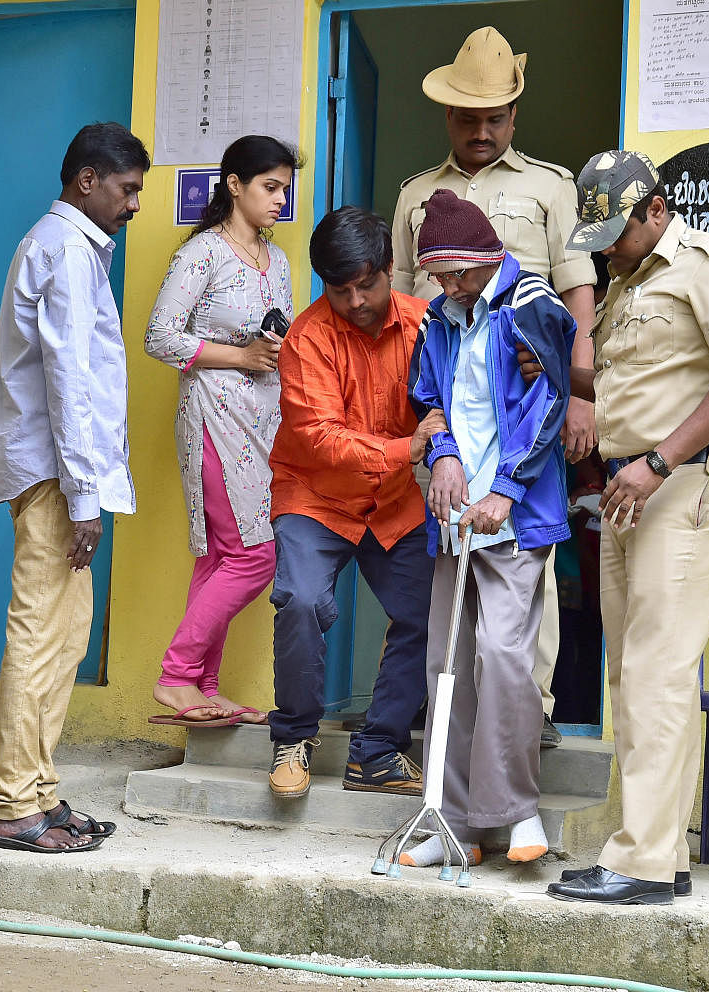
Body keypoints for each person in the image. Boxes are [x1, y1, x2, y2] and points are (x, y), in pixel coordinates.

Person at [542, 151, 709, 904]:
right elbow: (622, 383)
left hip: (683, 482)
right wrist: (540, 354)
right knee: (630, 675)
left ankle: (637, 861)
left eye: (617, 229)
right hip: (630, 489)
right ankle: (657, 852)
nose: (606, 245)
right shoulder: (627, 284)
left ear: (657, 210)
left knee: (657, 670)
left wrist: (661, 464)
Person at [390, 26, 598, 745]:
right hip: (444, 409)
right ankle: (454, 719)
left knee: (520, 568)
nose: (482, 130)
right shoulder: (417, 194)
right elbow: (400, 306)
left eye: (496, 118)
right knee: (445, 563)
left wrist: (579, 394)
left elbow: (576, 298)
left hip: (522, 414)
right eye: (468, 117)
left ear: (515, 116)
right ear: (448, 116)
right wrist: (421, 423)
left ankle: (525, 718)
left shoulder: (551, 186)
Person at [0, 123, 149, 853]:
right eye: (128, 188)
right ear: (87, 181)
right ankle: (14, 802)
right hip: (57, 475)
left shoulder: (73, 249)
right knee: (42, 632)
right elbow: (70, 381)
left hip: (60, 472)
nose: (135, 203)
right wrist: (86, 497)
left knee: (63, 636)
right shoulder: (65, 251)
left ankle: (38, 792)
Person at [402, 190, 575, 869]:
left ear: (485, 258)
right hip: (454, 512)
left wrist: (505, 488)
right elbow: (428, 396)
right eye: (439, 276)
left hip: (516, 513)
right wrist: (443, 457)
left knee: (503, 658)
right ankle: (452, 824)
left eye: (457, 274)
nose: (447, 287)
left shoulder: (532, 304)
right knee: (445, 664)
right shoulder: (440, 316)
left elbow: (550, 399)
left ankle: (514, 809)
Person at [266, 206, 440, 800]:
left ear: (391, 268)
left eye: (367, 284)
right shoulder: (306, 337)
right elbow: (318, 437)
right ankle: (293, 736)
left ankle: (379, 750)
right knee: (299, 600)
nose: (357, 300)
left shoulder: (429, 325)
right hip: (315, 494)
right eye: (340, 291)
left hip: (397, 499)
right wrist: (403, 448)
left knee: (425, 614)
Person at [144, 135, 299, 727]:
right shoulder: (202, 255)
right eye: (270, 187)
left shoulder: (276, 259)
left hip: (266, 421)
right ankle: (177, 674)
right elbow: (160, 336)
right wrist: (238, 358)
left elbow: (275, 336)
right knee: (254, 556)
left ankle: (203, 689)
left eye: (285, 188)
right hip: (214, 416)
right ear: (234, 184)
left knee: (217, 559)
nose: (280, 200)